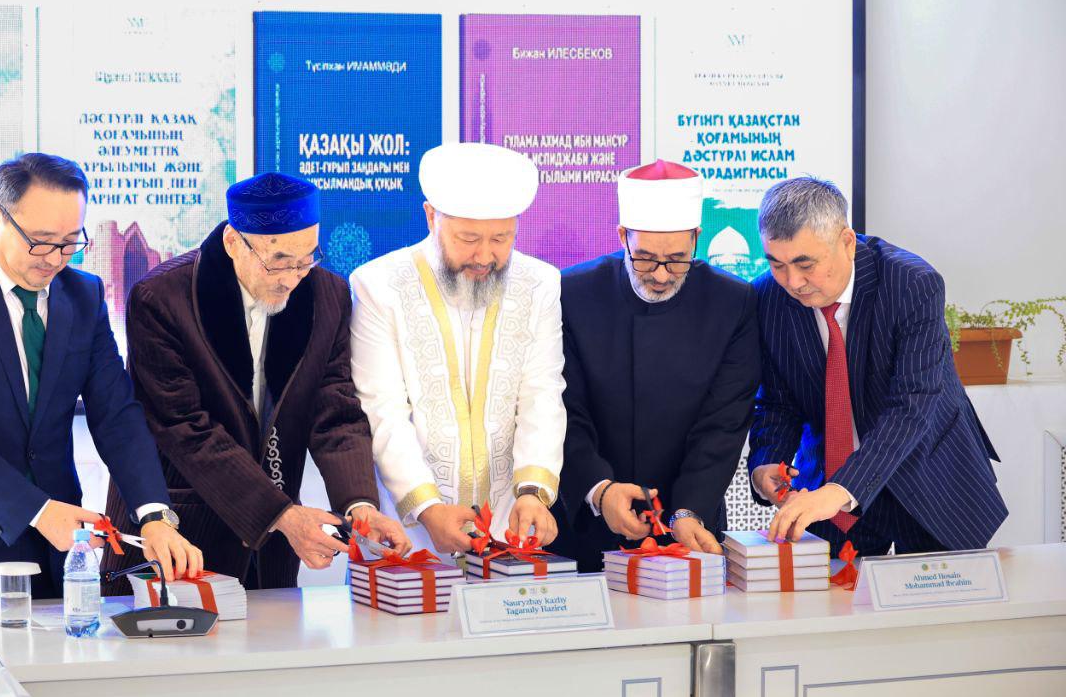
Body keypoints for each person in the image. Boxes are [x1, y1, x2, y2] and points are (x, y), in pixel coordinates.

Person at [0, 153, 201, 603]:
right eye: (40, 242)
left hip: (50, 552)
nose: (55, 259)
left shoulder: (83, 296)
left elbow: (116, 415)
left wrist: (154, 516)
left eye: (69, 243)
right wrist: (38, 511)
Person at [101, 172, 407, 590]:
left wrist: (359, 505)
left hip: (273, 550)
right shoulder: (162, 298)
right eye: (277, 260)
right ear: (233, 242)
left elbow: (335, 411)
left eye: (306, 259)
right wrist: (282, 515)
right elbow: (186, 429)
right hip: (179, 534)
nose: (292, 277)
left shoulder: (327, 296)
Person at [749, 176, 1007, 553]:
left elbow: (912, 405)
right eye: (777, 264)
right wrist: (766, 463)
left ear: (846, 242)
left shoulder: (912, 284)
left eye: (805, 264)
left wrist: (842, 489)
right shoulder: (767, 296)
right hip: (828, 481)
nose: (792, 281)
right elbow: (777, 400)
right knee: (830, 589)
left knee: (936, 592)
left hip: (927, 478)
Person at [350, 142, 567, 555]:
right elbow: (382, 409)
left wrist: (533, 491)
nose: (485, 255)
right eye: (468, 238)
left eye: (501, 238)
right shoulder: (378, 286)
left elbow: (541, 392)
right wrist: (427, 508)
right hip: (408, 529)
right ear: (431, 216)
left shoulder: (540, 283)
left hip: (509, 523)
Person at [553, 160, 760, 572]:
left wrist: (689, 509)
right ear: (622, 237)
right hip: (586, 520)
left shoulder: (733, 303)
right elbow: (563, 410)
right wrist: (600, 489)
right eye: (645, 259)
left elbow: (723, 422)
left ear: (697, 238)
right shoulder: (572, 293)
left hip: (687, 523)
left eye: (678, 259)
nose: (662, 276)